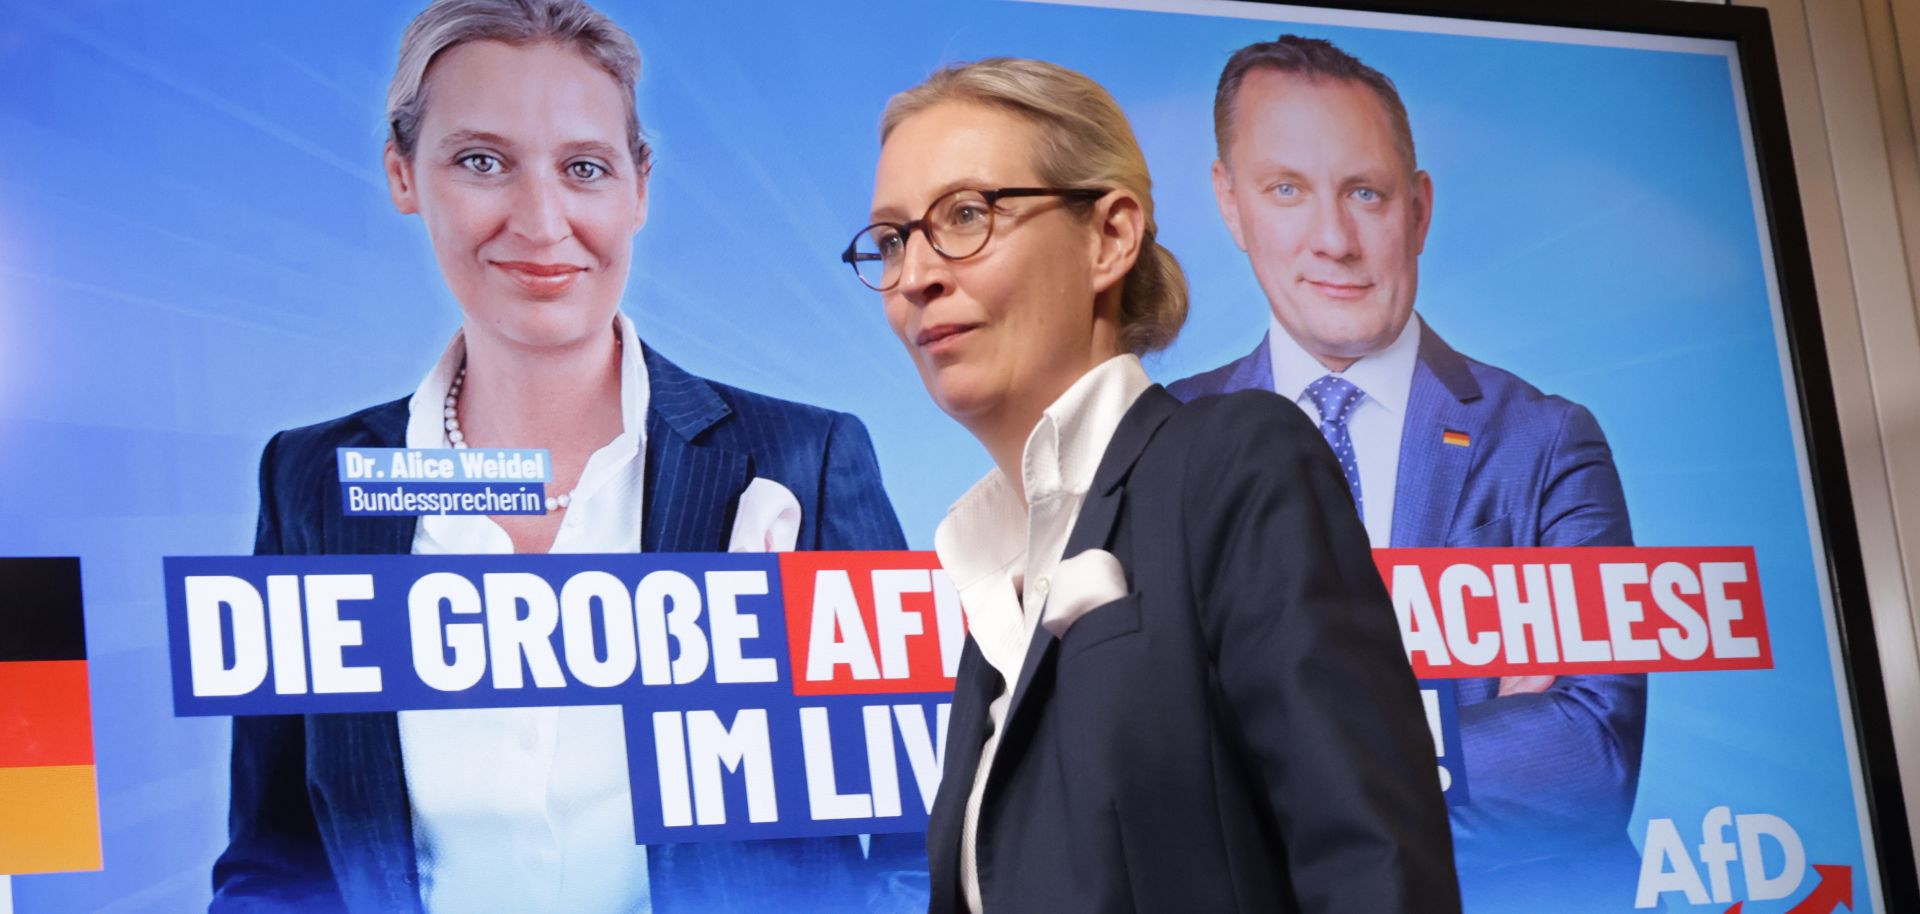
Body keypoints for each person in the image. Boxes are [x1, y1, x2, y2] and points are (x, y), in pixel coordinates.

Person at [211, 1, 920, 911]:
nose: (542, 222)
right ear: (402, 173)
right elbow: (275, 860)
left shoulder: (801, 463)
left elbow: (921, 839)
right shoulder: (313, 483)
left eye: (584, 167)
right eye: (481, 161)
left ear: (639, 187)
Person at [846, 57, 1458, 913]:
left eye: (966, 216)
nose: (915, 276)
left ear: (1110, 237)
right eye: (891, 240)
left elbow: (1371, 864)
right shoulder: (995, 590)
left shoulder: (1233, 463)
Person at [1168, 34, 1645, 907]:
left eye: (1366, 192)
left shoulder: (1546, 444)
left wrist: (1268, 774)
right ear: (1229, 204)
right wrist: (1463, 738)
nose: (1334, 240)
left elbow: (1588, 759)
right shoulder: (1165, 441)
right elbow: (1138, 763)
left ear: (1418, 209)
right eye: (1285, 190)